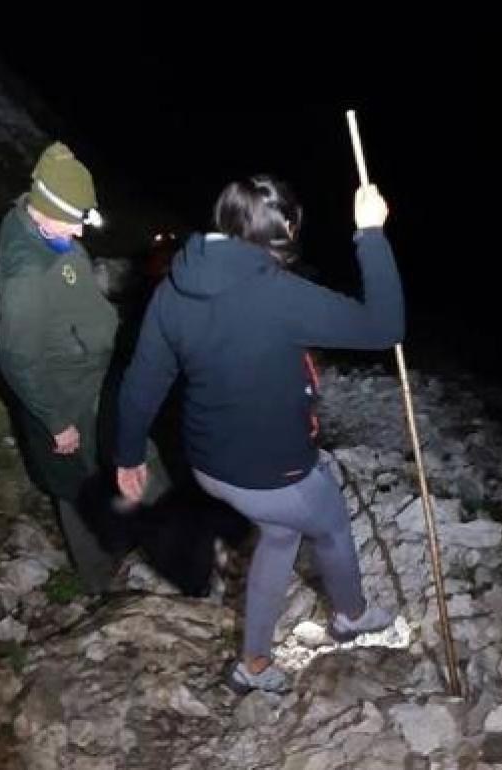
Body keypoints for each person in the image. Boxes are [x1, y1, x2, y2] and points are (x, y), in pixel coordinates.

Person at [114, 175, 404, 693]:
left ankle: (254, 664)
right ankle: (351, 617)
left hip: (207, 464)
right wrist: (371, 235)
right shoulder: (280, 295)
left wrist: (128, 454)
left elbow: (142, 380)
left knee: (279, 531)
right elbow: (385, 326)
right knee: (331, 524)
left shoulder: (174, 287)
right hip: (271, 471)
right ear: (284, 229)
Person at [0, 141, 123, 593]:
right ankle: (98, 586)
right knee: (76, 488)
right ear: (45, 210)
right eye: (73, 220)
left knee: (106, 464)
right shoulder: (25, 274)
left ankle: (121, 542)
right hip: (62, 400)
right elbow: (17, 358)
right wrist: (56, 420)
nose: (81, 232)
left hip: (86, 381)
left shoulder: (46, 229)